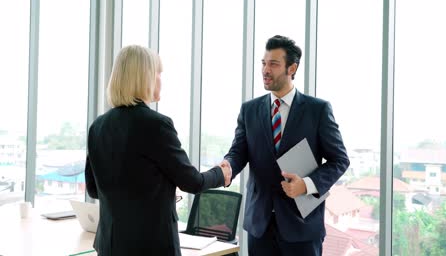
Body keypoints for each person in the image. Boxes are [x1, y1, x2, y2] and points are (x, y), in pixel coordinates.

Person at [85, 45, 231, 256]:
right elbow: (192, 182)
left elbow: (93, 189)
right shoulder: (156, 125)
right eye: (158, 73)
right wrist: (221, 174)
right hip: (150, 247)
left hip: (110, 246)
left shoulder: (98, 126)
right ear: (145, 77)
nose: (161, 79)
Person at [221, 35, 349, 255]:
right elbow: (238, 152)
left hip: (302, 226)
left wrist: (307, 184)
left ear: (292, 68)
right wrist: (228, 165)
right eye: (263, 63)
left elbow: (340, 160)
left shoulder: (317, 110)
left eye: (273, 64)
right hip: (259, 225)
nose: (265, 70)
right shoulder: (249, 110)